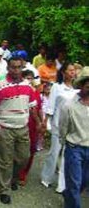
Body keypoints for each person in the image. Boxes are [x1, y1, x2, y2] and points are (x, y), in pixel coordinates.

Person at [0, 56, 42, 204]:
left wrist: (39, 122)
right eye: (13, 67)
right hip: (5, 128)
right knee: (5, 161)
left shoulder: (28, 86)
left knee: (24, 157)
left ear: (22, 68)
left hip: (23, 128)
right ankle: (4, 189)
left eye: (19, 67)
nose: (16, 70)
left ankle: (13, 178)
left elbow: (32, 106)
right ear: (8, 68)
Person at [41, 62, 78, 193]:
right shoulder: (57, 87)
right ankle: (46, 177)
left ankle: (62, 185)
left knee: (67, 156)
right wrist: (45, 122)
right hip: (58, 125)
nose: (73, 72)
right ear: (63, 73)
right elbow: (50, 106)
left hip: (73, 127)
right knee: (54, 152)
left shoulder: (78, 90)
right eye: (70, 70)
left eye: (74, 70)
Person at [59, 67, 89, 208]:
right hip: (74, 148)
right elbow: (63, 127)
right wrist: (64, 144)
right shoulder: (69, 105)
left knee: (84, 182)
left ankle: (68, 194)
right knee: (75, 184)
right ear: (82, 86)